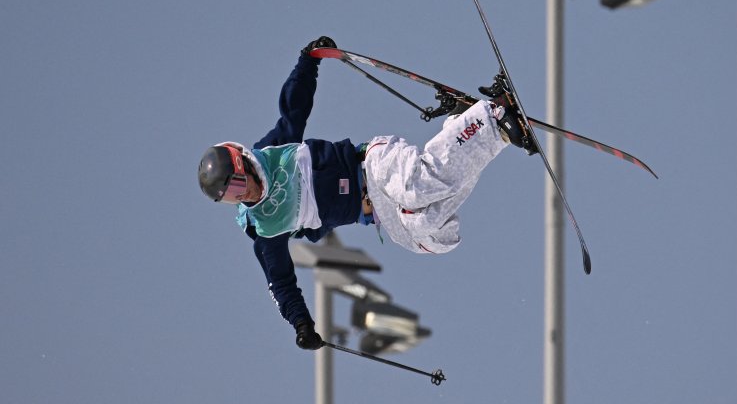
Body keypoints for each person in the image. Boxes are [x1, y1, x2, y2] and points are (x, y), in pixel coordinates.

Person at [197, 36, 535, 350]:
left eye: (240, 183)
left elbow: (294, 108)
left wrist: (308, 61)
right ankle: (482, 129)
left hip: (372, 164)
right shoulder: (266, 229)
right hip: (374, 209)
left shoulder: (272, 151)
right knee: (431, 236)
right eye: (233, 196)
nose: (244, 194)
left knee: (416, 186)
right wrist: (301, 324)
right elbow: (281, 284)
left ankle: (492, 115)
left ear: (243, 160)